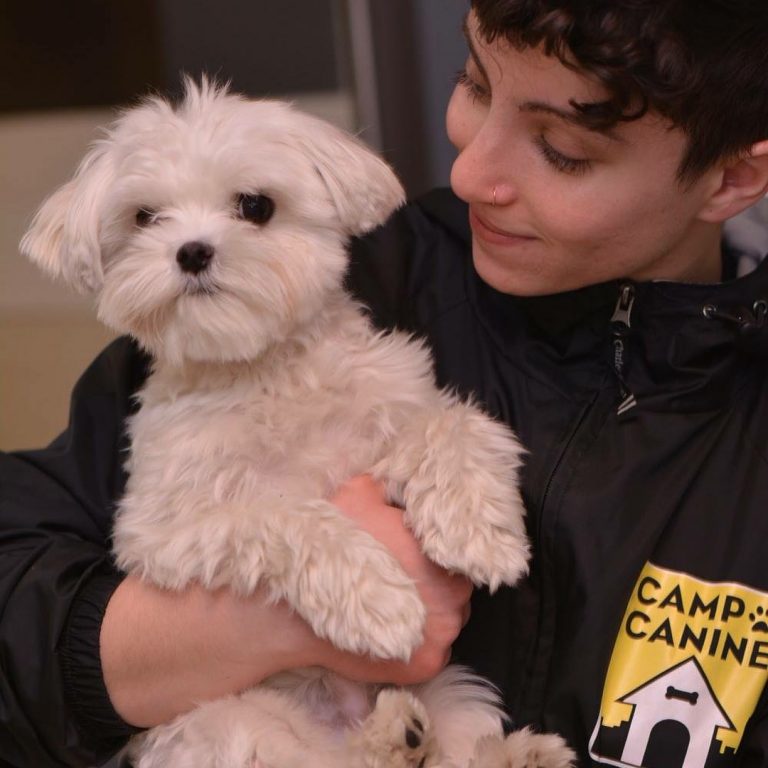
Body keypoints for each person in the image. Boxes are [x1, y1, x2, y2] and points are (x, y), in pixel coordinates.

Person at [2, 0, 768, 765]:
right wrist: (259, 622)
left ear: (734, 174)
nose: (468, 171)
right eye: (473, 85)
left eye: (561, 148)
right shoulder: (313, 286)